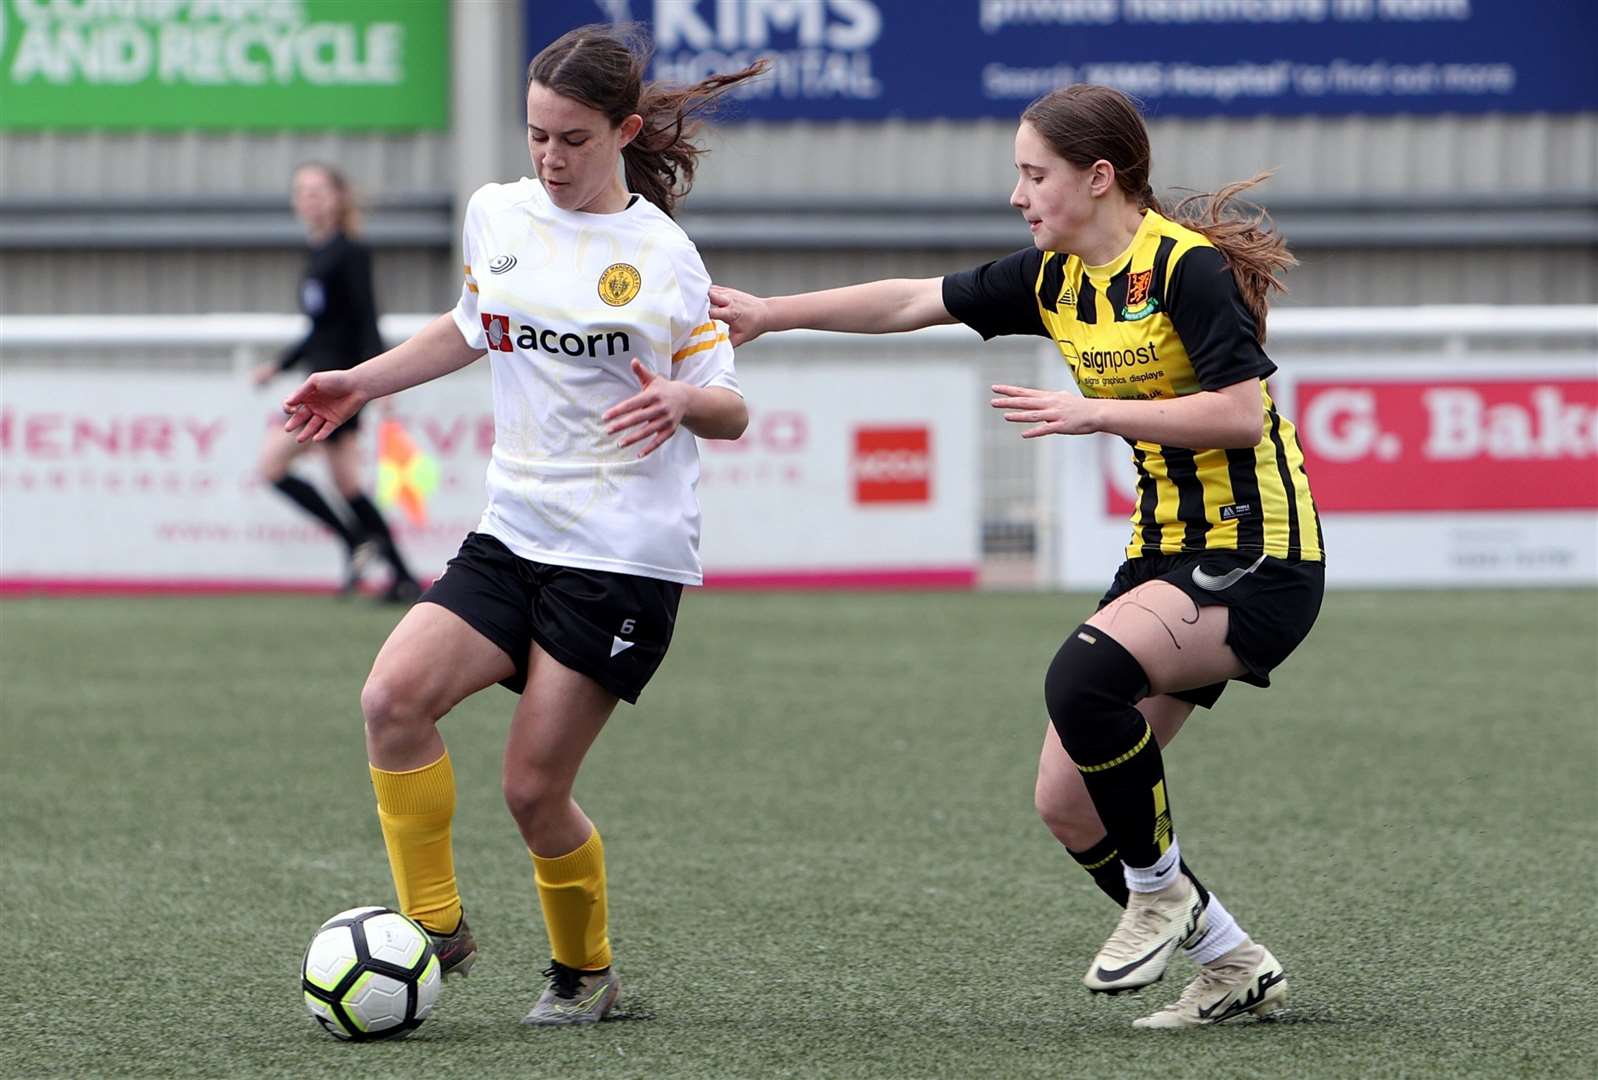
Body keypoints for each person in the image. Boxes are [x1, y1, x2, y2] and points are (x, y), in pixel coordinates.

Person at [709, 83, 1324, 1029]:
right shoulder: (1056, 277)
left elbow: (1242, 414)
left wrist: (1095, 411)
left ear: (1099, 177)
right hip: (1162, 553)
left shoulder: (1183, 269)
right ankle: (1231, 961)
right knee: (1069, 804)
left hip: (1259, 549)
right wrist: (770, 313)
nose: (1018, 194)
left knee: (1083, 680)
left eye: (1034, 174)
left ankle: (1160, 893)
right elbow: (915, 298)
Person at [282, 25, 763, 1026]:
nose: (548, 158)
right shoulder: (495, 213)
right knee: (390, 699)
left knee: (531, 792)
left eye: (573, 139)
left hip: (621, 555)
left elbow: (731, 407)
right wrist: (356, 385)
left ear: (624, 132)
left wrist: (682, 402)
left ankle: (586, 973)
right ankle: (435, 930)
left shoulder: (662, 257)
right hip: (512, 530)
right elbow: (468, 327)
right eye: (536, 135)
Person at [254, 162, 421, 603]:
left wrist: (382, 381)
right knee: (347, 484)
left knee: (273, 465)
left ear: (337, 196)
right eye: (301, 191)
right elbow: (318, 329)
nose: (308, 199)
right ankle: (399, 574)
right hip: (320, 383)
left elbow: (366, 321)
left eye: (317, 190)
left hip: (340, 386)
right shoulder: (317, 252)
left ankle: (355, 542)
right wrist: (280, 364)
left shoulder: (350, 251)